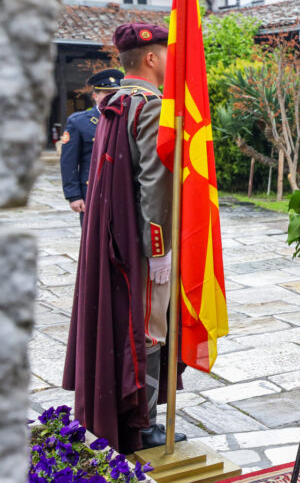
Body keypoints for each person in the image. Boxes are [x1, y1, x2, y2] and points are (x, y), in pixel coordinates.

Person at [63, 23, 186, 452]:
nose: (174, 62)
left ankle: (129, 415)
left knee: (129, 324)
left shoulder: (115, 102)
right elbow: (155, 182)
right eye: (167, 53)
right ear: (151, 58)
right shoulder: (150, 106)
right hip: (139, 242)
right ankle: (144, 423)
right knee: (150, 327)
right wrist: (160, 249)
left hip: (112, 234)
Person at [59, 69, 123, 225]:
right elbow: (69, 162)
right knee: (93, 239)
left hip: (121, 191)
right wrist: (73, 195)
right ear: (95, 96)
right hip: (92, 192)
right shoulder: (79, 122)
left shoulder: (125, 118)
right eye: (107, 94)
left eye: (116, 94)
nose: (112, 98)